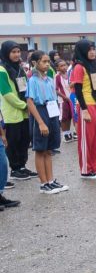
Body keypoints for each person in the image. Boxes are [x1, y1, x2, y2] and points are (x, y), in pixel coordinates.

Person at [26, 51, 68, 194]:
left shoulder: (49, 79)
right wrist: (40, 122)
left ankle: (50, 180)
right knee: (40, 149)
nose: (47, 64)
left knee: (49, 149)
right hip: (41, 111)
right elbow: (30, 102)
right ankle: (43, 183)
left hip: (52, 111)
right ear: (35, 63)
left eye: (48, 62)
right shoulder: (32, 80)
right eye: (44, 61)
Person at [69, 39, 96, 179]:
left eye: (93, 49)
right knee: (87, 140)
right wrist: (84, 109)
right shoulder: (79, 67)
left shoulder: (94, 65)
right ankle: (86, 170)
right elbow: (78, 90)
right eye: (89, 49)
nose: (92, 52)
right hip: (86, 105)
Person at [0, 41, 37, 181]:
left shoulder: (19, 68)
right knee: (13, 140)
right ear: (6, 53)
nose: (16, 55)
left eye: (18, 52)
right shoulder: (2, 70)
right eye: (13, 52)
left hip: (24, 111)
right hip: (12, 112)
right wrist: (24, 105)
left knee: (24, 139)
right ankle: (15, 169)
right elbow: (6, 93)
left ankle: (22, 166)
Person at [54, 59, 75, 143]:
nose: (64, 67)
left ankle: (69, 132)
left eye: (65, 65)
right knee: (64, 117)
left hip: (71, 98)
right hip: (63, 100)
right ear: (57, 68)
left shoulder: (69, 74)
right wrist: (65, 97)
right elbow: (55, 90)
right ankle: (65, 134)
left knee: (70, 116)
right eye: (61, 66)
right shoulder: (57, 77)